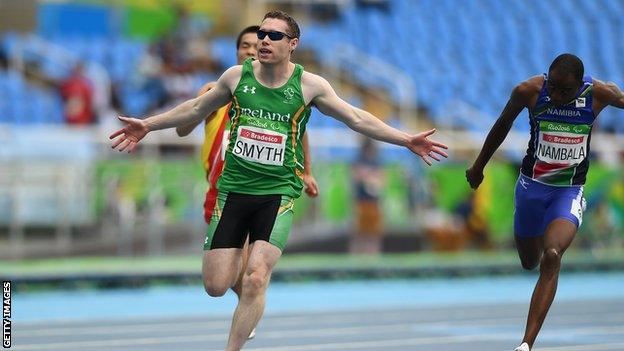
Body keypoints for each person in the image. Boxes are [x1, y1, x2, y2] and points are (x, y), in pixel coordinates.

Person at [110, 10, 448, 351]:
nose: (264, 41)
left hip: (278, 195)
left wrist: (406, 139)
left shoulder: (309, 86)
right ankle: (247, 295)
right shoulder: (234, 78)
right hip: (233, 192)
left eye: (274, 36)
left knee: (256, 276)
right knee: (216, 284)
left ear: (293, 44)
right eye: (262, 34)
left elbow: (356, 117)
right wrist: (147, 125)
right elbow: (194, 110)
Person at [465, 53, 624, 351]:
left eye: (564, 91)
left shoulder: (601, 93)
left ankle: (526, 344)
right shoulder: (530, 91)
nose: (556, 95)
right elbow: (501, 125)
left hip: (568, 191)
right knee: (529, 261)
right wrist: (478, 166)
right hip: (530, 189)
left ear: (580, 85)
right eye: (553, 87)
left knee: (551, 255)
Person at [175, 25, 320, 339]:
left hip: (264, 187)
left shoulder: (278, 92)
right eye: (245, 45)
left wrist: (307, 170)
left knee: (252, 270)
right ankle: (247, 300)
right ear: (237, 51)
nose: (252, 50)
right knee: (222, 278)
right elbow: (182, 130)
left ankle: (250, 301)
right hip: (221, 188)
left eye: (258, 45)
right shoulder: (219, 88)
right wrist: (198, 109)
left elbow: (299, 131)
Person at [350, 137, 384, 254]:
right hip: (361, 200)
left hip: (373, 201)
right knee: (360, 230)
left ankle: (374, 252)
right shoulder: (359, 159)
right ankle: (358, 253)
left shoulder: (376, 160)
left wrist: (373, 179)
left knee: (374, 230)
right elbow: (357, 175)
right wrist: (368, 177)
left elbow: (381, 178)